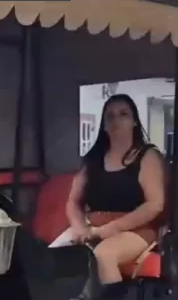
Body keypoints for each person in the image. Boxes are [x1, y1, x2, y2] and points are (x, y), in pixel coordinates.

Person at [50, 94, 165, 285]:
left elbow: (155, 205)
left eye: (123, 114)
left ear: (135, 122)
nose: (116, 120)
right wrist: (80, 228)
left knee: (104, 255)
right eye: (110, 116)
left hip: (137, 229)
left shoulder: (148, 156)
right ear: (104, 125)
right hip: (94, 226)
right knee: (53, 255)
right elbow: (74, 202)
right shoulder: (94, 158)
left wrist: (111, 229)